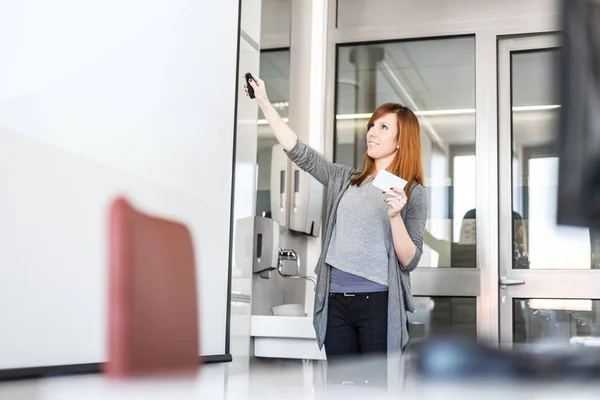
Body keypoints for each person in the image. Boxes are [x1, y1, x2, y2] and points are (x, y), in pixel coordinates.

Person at [245, 75, 428, 359]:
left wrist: (395, 216)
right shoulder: (345, 179)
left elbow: (409, 260)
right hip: (335, 301)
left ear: (401, 141)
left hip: (378, 303)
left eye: (383, 127)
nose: (372, 132)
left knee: (373, 388)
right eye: (372, 125)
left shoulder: (413, 192)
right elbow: (299, 152)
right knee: (339, 386)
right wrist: (265, 104)